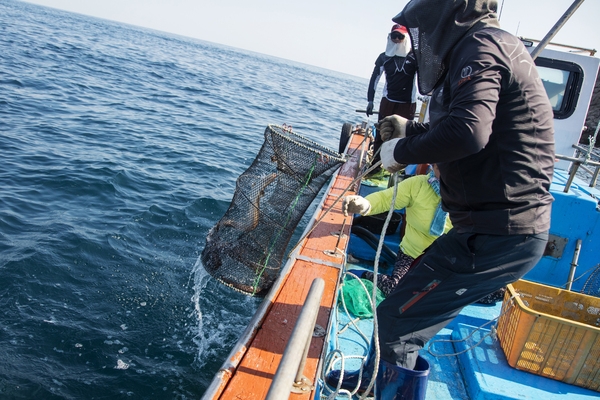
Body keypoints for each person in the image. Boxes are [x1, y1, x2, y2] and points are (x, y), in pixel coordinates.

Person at [329, 1, 555, 398]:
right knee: (399, 310)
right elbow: (477, 124)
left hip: (497, 233)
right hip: (491, 230)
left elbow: (469, 133)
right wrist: (412, 128)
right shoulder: (493, 43)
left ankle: (380, 392)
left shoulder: (481, 46)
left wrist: (400, 152)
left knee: (398, 323)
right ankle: (370, 383)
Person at [343, 164, 452, 296]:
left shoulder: (473, 196)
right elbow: (386, 198)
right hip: (412, 254)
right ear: (434, 165)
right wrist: (366, 204)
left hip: (452, 262)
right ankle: (365, 274)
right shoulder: (418, 185)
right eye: (441, 166)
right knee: (396, 289)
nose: (448, 172)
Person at [366, 24, 418, 167]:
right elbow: (374, 80)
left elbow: (426, 79)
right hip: (388, 101)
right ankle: (375, 166)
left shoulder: (415, 57)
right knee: (381, 134)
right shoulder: (384, 57)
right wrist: (370, 101)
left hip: (407, 104)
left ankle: (399, 167)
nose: (396, 39)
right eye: (394, 36)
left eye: (400, 37)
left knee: (404, 136)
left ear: (405, 38)